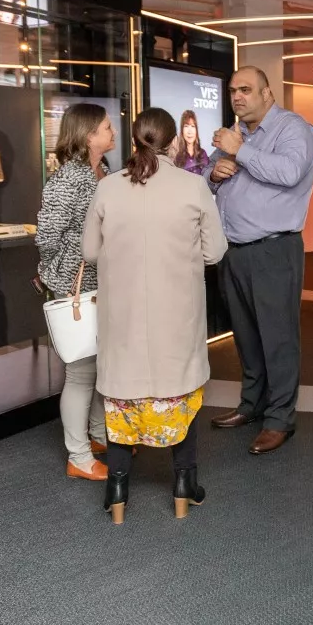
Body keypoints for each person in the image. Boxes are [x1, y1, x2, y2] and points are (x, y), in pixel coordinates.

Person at [83, 108, 228, 524]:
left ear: (134, 140)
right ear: (173, 142)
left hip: (123, 314)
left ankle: (117, 491)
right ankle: (184, 485)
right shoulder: (193, 186)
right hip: (176, 312)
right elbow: (214, 251)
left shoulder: (108, 187)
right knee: (180, 394)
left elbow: (90, 251)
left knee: (121, 400)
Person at [205, 66, 313, 454]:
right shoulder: (239, 134)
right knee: (246, 336)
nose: (237, 97)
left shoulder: (294, 129)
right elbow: (209, 177)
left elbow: (290, 173)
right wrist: (216, 175)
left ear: (267, 94)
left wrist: (241, 151)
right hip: (235, 251)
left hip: (274, 250)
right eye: (232, 90)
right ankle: (252, 405)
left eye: (245, 89)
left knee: (278, 338)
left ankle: (280, 419)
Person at [35, 103, 115, 481]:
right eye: (105, 126)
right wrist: (51, 274)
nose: (112, 130)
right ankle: (78, 456)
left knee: (102, 368)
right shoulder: (69, 178)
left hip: (106, 287)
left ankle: (98, 437)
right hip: (75, 290)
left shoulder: (106, 171)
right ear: (87, 135)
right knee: (81, 373)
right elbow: (47, 235)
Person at [168, 109, 211, 177]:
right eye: (186, 126)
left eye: (192, 126)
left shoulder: (203, 154)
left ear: (196, 129)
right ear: (182, 130)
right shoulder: (176, 154)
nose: (189, 131)